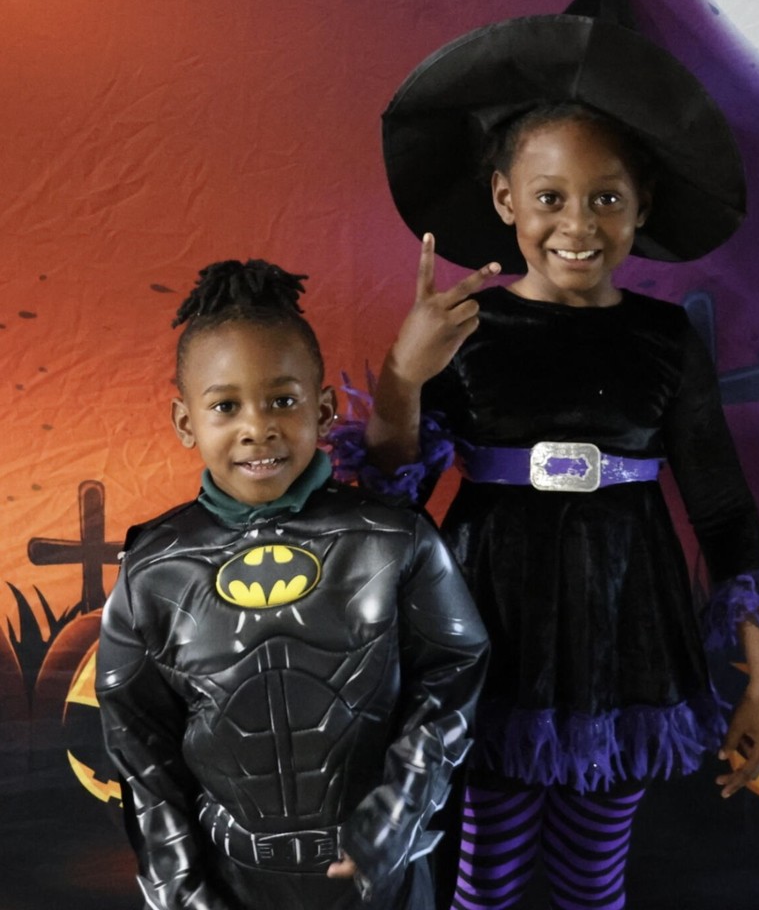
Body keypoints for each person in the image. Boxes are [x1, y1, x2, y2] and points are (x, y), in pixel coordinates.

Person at [331, 12, 759, 910]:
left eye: (605, 199)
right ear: (505, 199)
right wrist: (403, 373)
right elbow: (390, 501)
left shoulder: (665, 338)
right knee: (487, 877)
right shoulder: (466, 329)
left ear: (641, 205)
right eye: (550, 198)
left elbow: (723, 509)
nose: (576, 225)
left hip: (626, 640)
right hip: (489, 639)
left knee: (593, 878)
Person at [96, 259, 489, 910]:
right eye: (226, 405)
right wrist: (177, 889)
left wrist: (395, 812)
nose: (258, 426)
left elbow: (453, 674)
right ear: (186, 421)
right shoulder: (152, 566)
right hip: (232, 881)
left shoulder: (393, 537)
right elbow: (139, 745)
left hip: (379, 876)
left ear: (324, 407)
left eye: (282, 399)